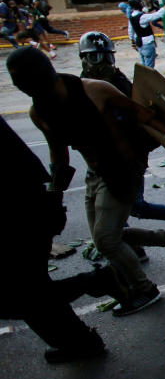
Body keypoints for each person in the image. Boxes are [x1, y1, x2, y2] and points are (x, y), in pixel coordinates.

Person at [9, 47, 165, 317]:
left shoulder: (94, 90)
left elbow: (141, 114)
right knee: (105, 237)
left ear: (43, 74)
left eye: (26, 81)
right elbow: (58, 154)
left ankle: (144, 289)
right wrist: (54, 198)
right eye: (18, 84)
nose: (24, 88)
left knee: (106, 240)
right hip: (95, 172)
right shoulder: (39, 112)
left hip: (123, 167)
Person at [0, 115, 127, 363]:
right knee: (29, 286)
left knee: (21, 293)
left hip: (15, 209)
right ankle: (80, 338)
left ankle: (93, 286)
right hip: (24, 201)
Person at [76, 31, 165, 254]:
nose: (101, 63)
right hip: (105, 160)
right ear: (84, 59)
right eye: (94, 57)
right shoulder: (85, 84)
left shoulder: (118, 85)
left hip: (128, 158)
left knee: (134, 206)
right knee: (124, 209)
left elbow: (144, 118)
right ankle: (135, 246)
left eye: (105, 57)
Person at [126, 0, 165, 68]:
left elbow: (130, 30)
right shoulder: (142, 17)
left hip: (139, 42)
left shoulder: (132, 16)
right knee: (149, 67)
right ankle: (149, 79)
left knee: (144, 65)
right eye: (141, 2)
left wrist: (132, 42)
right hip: (147, 43)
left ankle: (144, 79)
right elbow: (157, 15)